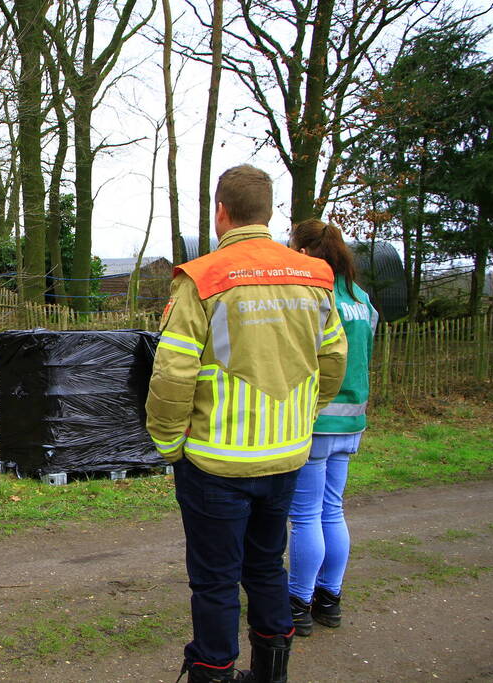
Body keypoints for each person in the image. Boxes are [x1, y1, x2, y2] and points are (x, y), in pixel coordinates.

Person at [146, 165, 348, 683]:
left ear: (221, 212)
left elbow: (172, 372)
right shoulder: (315, 277)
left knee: (215, 580)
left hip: (214, 462)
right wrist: (303, 417)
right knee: (266, 567)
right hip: (285, 456)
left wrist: (167, 442)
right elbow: (333, 361)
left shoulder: (203, 279)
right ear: (269, 211)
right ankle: (271, 673)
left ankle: (213, 672)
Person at [286, 219, 377, 636]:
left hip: (318, 419)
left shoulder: (315, 296)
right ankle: (330, 598)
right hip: (352, 419)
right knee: (333, 510)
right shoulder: (361, 298)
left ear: (305, 252)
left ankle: (298, 603)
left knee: (306, 516)